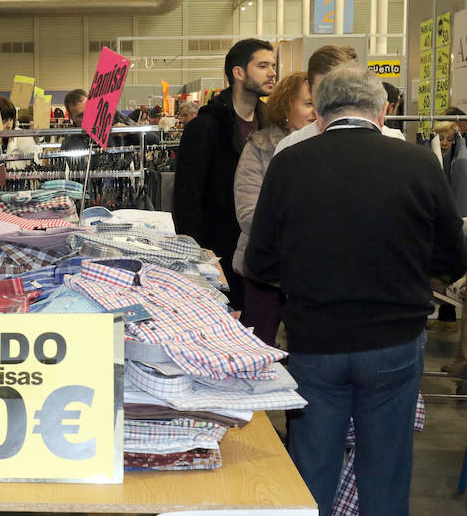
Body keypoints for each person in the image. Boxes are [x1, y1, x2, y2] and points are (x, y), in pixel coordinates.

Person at [246, 63, 466, 516]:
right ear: (383, 110)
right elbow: (453, 257)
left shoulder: (290, 164)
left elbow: (260, 263)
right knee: (385, 474)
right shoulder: (417, 164)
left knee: (312, 473)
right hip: (394, 344)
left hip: (314, 344)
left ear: (320, 116)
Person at [173, 38, 276, 310]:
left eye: (273, 65)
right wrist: (198, 259)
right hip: (218, 258)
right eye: (263, 65)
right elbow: (186, 200)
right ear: (238, 73)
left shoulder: (273, 126)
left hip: (263, 256)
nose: (272, 72)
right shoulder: (205, 127)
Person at [233, 71, 315, 345]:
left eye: (319, 103)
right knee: (260, 348)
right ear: (286, 105)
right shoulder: (260, 146)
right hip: (266, 271)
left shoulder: (329, 150)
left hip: (312, 276)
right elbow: (248, 215)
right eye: (307, 103)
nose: (315, 112)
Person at [273, 45, 405, 157]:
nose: (334, 98)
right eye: (324, 91)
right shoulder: (289, 147)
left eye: (344, 89)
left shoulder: (393, 140)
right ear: (309, 88)